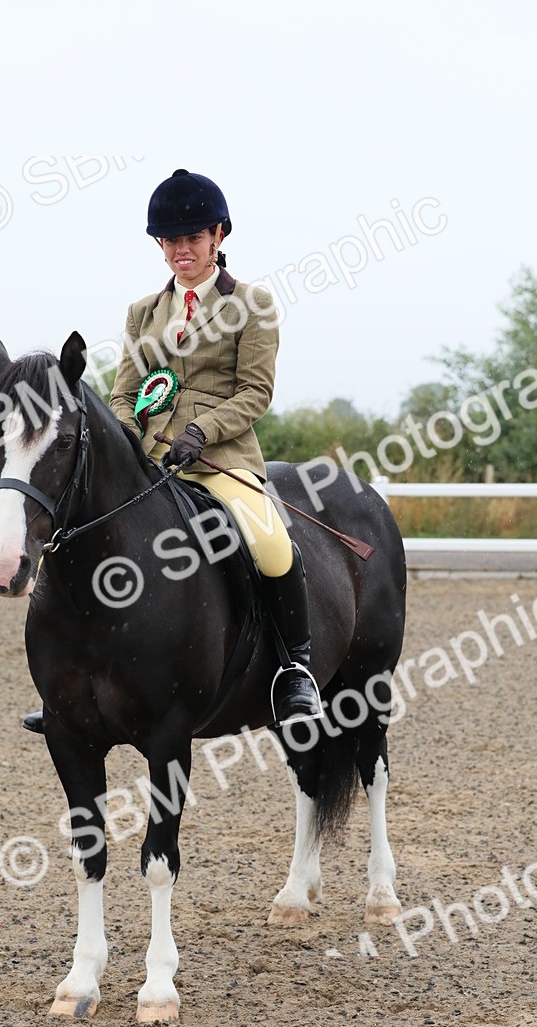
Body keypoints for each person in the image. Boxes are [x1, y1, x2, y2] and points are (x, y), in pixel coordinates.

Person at [23, 169, 321, 733]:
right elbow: (124, 392)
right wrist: (125, 446)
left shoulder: (253, 305)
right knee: (81, 536)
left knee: (271, 543)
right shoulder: (143, 312)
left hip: (220, 459)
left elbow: (255, 392)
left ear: (218, 237)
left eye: (192, 239)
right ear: (160, 245)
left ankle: (294, 670)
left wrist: (202, 431)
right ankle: (72, 682)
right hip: (148, 459)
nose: (181, 250)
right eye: (170, 241)